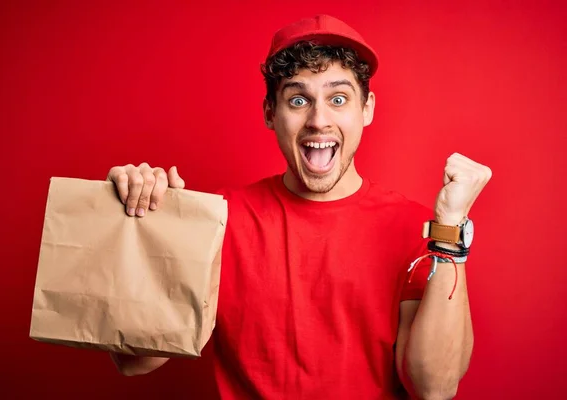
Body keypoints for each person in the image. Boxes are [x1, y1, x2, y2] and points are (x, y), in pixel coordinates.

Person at [107, 14, 492, 400]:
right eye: (298, 100)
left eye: (338, 99)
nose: (318, 120)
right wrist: (147, 224)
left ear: (367, 109)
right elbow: (136, 361)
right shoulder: (219, 218)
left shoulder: (416, 229)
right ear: (270, 113)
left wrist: (450, 231)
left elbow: (434, 388)